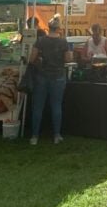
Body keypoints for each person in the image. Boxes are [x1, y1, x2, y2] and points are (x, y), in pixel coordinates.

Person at [28, 16, 73, 145]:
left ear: (48, 27)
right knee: (56, 106)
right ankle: (56, 135)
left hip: (41, 76)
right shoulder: (63, 42)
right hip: (58, 76)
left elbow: (31, 58)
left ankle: (34, 137)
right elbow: (68, 59)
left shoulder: (40, 41)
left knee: (38, 107)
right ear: (58, 28)